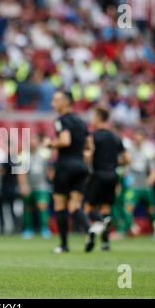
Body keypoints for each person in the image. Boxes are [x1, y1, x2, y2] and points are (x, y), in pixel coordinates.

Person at [43, 91, 97, 253]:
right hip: (81, 166)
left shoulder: (61, 120)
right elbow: (90, 147)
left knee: (60, 205)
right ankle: (88, 228)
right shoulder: (81, 122)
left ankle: (64, 245)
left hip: (65, 166)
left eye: (56, 100)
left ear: (66, 103)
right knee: (75, 206)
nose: (53, 103)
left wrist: (50, 144)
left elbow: (65, 141)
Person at [84, 106, 130, 251]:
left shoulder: (92, 136)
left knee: (88, 208)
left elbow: (89, 156)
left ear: (98, 117)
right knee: (105, 208)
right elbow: (127, 159)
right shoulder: (115, 136)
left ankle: (100, 223)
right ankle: (105, 243)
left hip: (98, 175)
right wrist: (115, 163)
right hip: (112, 175)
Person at [123, 130, 155, 235]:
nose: (137, 140)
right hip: (133, 183)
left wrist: (152, 178)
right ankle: (130, 229)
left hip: (145, 183)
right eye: (136, 137)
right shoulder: (129, 149)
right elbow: (125, 166)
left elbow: (154, 168)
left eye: (140, 137)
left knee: (151, 209)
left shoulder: (148, 150)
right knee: (128, 207)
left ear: (143, 138)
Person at [17, 133, 53, 239]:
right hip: (28, 185)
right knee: (28, 207)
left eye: (34, 140)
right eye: (30, 140)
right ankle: (28, 229)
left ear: (38, 141)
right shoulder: (23, 155)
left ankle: (44, 229)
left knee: (42, 206)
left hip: (42, 185)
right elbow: (21, 172)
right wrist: (23, 185)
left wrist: (53, 180)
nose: (32, 142)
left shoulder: (45, 153)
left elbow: (49, 168)